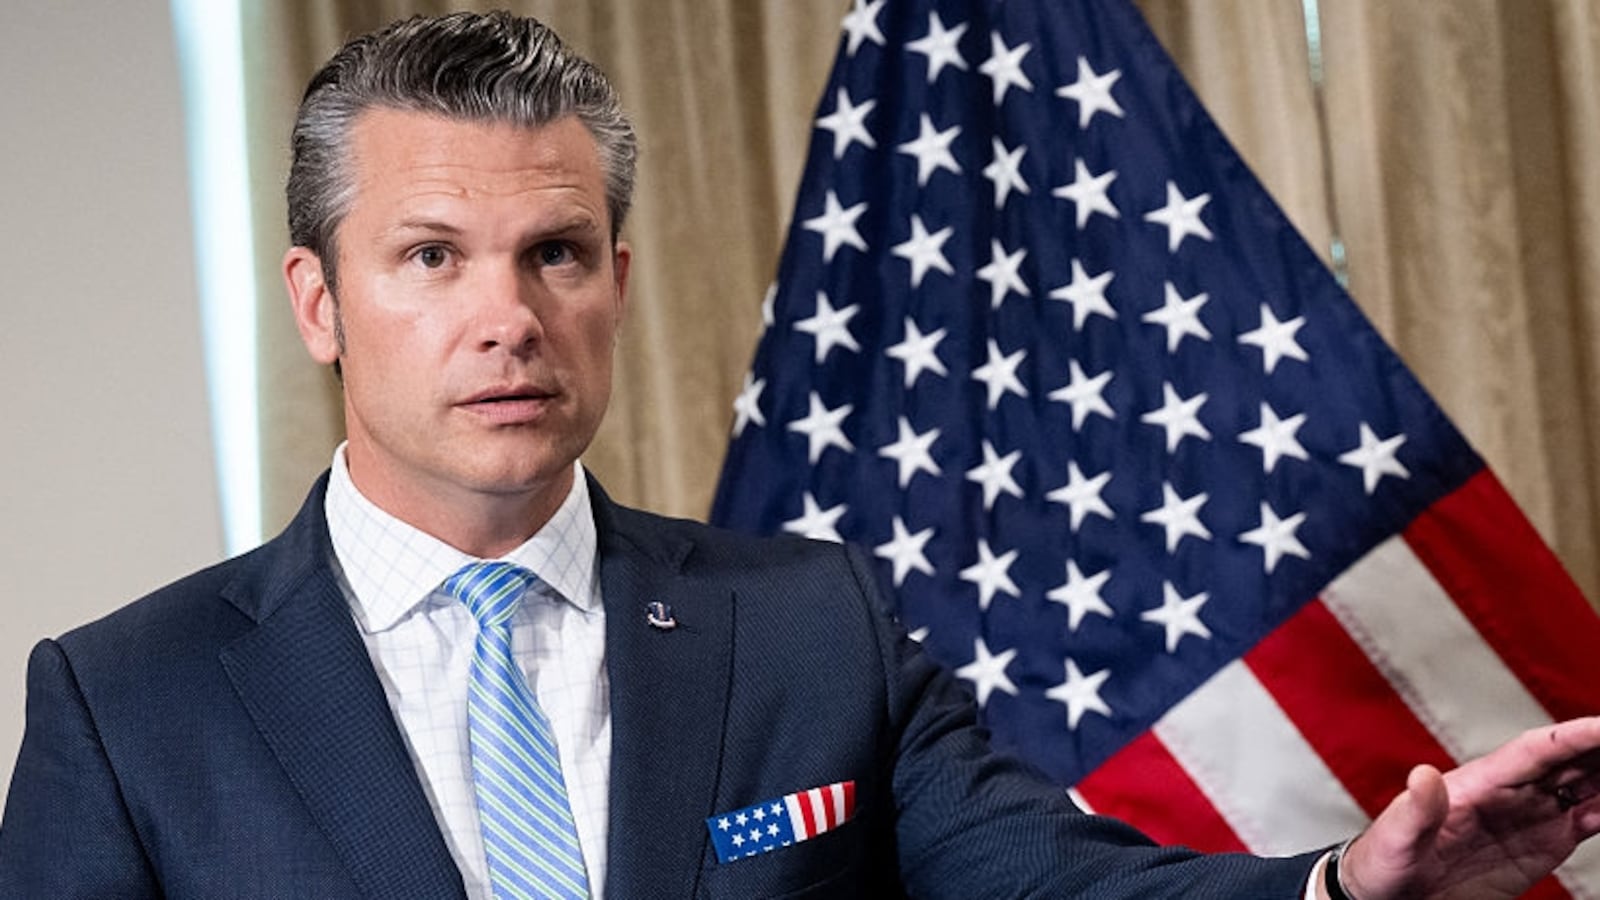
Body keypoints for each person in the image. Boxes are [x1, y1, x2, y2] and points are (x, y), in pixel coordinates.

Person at [1, 11, 1597, 899]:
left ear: (618, 285)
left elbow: (1050, 891)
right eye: (431, 257)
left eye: (557, 254)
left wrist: (1340, 894)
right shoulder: (128, 700)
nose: (509, 318)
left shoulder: (809, 618)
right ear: (320, 302)